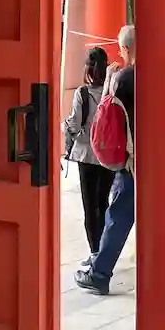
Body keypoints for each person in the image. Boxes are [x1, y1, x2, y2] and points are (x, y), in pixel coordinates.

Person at [75, 24, 135, 295]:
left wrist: (110, 83)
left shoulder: (125, 78)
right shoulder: (157, 73)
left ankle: (99, 273)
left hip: (132, 160)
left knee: (117, 215)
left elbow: (106, 119)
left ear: (125, 49)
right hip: (163, 157)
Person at [63, 46, 113, 259]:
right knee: (104, 203)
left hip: (86, 155)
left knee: (90, 207)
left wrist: (66, 130)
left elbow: (74, 125)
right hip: (108, 156)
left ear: (87, 69)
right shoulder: (112, 91)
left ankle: (95, 253)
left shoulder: (82, 94)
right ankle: (105, 252)